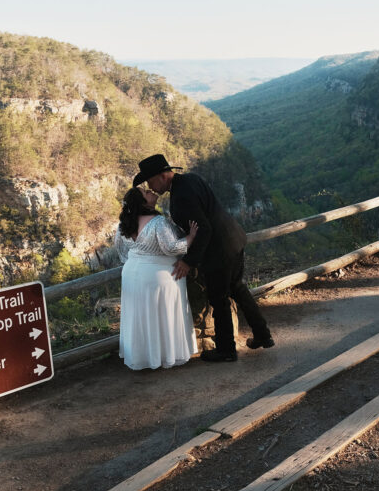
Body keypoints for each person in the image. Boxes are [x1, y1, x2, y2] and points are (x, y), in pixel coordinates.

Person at [133, 154, 273, 362]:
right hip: (233, 239)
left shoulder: (181, 196)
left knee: (219, 299)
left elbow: (204, 229)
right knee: (238, 288)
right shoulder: (190, 179)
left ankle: (226, 350)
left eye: (151, 181)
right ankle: (262, 334)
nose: (151, 187)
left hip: (219, 249)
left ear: (163, 175)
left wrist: (188, 261)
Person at [113, 186, 199, 370]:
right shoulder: (158, 222)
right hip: (159, 275)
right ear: (143, 202)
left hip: (131, 273)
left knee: (141, 316)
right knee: (163, 314)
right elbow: (173, 248)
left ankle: (143, 357)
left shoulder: (123, 225)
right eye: (146, 192)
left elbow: (120, 250)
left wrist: (138, 262)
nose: (151, 192)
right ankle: (166, 355)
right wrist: (191, 236)